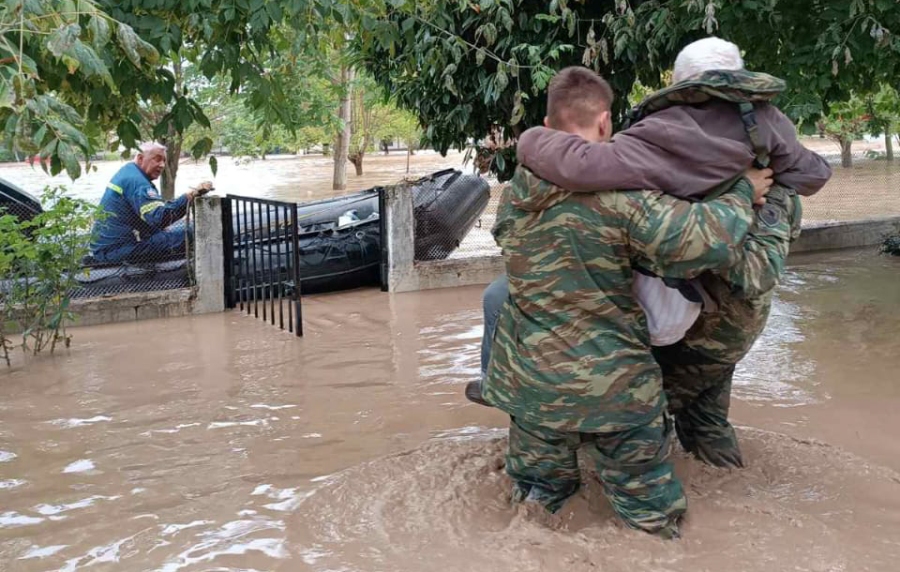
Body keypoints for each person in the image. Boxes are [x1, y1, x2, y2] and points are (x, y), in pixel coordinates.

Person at [470, 37, 831, 469]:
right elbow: (809, 183)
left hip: (685, 318)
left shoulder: (652, 142)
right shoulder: (777, 166)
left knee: (633, 414)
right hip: (724, 322)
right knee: (702, 423)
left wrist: (533, 141)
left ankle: (562, 438)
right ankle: (710, 479)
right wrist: (745, 191)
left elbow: (591, 176)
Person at [484, 66, 785, 538]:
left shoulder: (515, 195)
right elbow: (706, 242)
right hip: (614, 391)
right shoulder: (621, 198)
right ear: (606, 123)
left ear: (546, 127)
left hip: (529, 388)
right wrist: (744, 189)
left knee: (536, 507)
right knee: (652, 521)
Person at [90, 142, 212, 265]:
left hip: (106, 249)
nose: (162, 165)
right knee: (193, 231)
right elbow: (160, 219)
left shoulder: (128, 172)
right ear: (140, 158)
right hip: (118, 251)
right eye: (157, 159)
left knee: (172, 232)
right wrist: (189, 197)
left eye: (164, 161)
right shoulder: (138, 183)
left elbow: (143, 217)